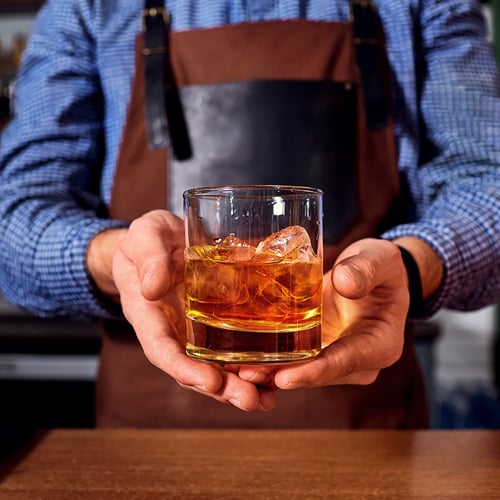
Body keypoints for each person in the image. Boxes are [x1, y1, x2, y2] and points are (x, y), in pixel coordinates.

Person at [0, 0, 498, 428]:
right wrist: (120, 259)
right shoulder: (89, 8)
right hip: (147, 442)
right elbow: (13, 216)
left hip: (364, 431)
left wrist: (411, 264)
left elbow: (488, 181)